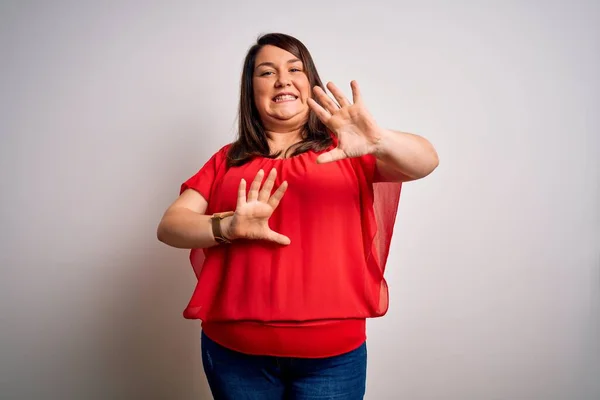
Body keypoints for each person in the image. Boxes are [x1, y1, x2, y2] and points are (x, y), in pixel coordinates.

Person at [157, 32, 439, 400]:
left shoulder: (347, 149)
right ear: (251, 89)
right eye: (266, 72)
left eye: (295, 68)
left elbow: (426, 161)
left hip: (333, 356)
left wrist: (378, 140)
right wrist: (228, 225)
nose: (283, 80)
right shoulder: (228, 159)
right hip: (235, 353)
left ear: (310, 82)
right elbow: (170, 226)